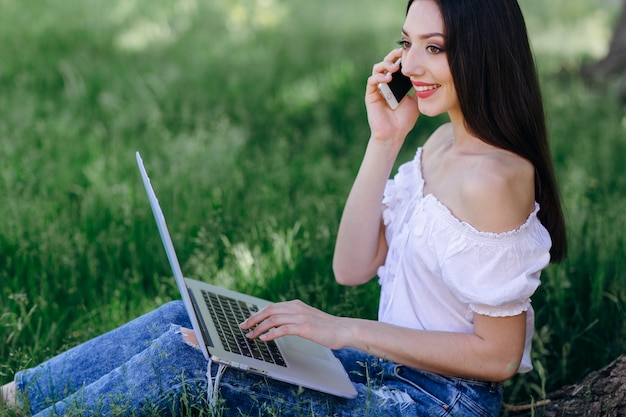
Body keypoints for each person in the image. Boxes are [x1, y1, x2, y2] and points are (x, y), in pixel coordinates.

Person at [1, 0, 567, 415]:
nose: (410, 64)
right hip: (386, 368)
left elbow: (496, 358)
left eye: (435, 48)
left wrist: (340, 331)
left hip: (437, 401)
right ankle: (19, 397)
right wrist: (385, 140)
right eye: (408, 42)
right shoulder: (440, 143)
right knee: (188, 318)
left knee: (189, 364)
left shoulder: (494, 177)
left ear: (486, 52)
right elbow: (351, 268)